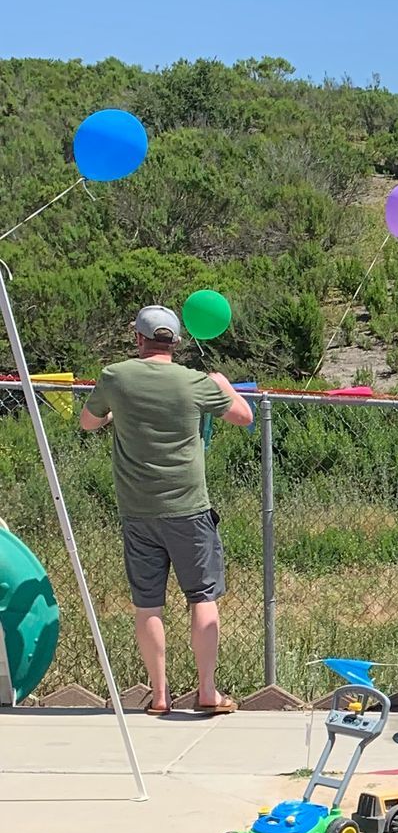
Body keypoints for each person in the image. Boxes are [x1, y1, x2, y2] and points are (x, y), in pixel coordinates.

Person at [78, 304, 253, 714]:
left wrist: (112, 417)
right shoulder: (193, 382)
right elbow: (244, 416)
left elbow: (88, 422)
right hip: (190, 509)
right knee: (203, 597)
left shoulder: (115, 377)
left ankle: (159, 696)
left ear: (137, 338)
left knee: (148, 606)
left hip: (137, 511)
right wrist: (223, 383)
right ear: (175, 342)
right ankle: (207, 691)